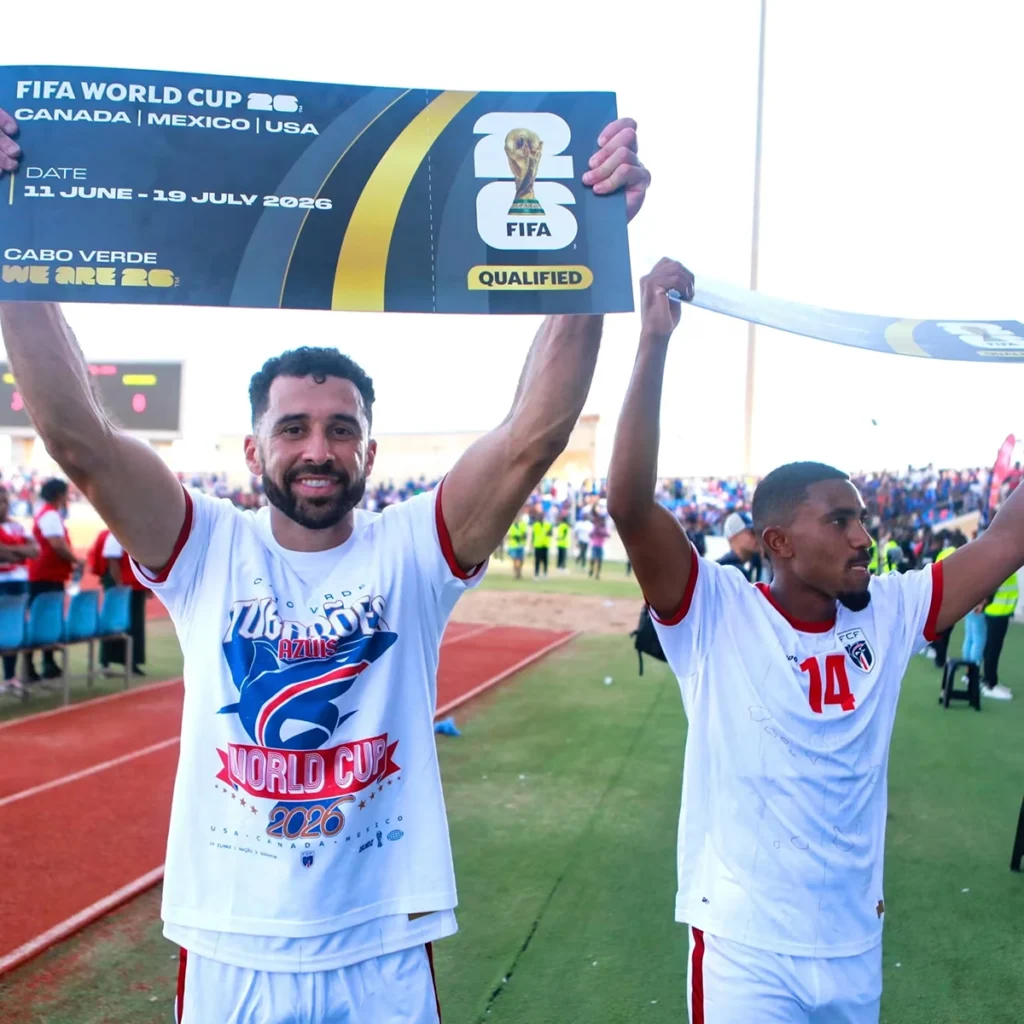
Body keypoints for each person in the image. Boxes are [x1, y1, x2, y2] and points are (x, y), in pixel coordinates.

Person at [0, 106, 650, 1024]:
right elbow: (79, 436)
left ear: (370, 456)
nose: (318, 448)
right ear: (251, 450)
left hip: (379, 944)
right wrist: (10, 227)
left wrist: (591, 245)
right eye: (293, 428)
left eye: (342, 430)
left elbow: (531, 436)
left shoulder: (409, 554)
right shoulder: (207, 550)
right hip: (232, 944)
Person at [607, 257, 1024, 1024]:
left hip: (853, 945)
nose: (865, 536)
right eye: (840, 520)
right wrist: (654, 343)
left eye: (863, 517)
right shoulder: (717, 613)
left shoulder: (892, 613)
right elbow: (629, 504)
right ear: (779, 541)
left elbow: (1008, 537)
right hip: (744, 953)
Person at [25, 478, 82, 681]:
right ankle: (33, 664)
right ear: (59, 495)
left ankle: (46, 662)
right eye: (66, 493)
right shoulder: (50, 515)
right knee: (42, 618)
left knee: (44, 618)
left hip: (48, 573)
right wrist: (76, 560)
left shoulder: (49, 514)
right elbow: (57, 544)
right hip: (45, 573)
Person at [89, 527, 150, 676]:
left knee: (135, 624)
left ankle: (131, 662)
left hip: (133, 584)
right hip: (122, 583)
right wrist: (119, 586)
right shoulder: (117, 532)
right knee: (114, 623)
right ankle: (106, 662)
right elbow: (112, 560)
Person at [0, 482, 39, 690]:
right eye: (0, 502)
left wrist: (9, 551)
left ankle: (9, 677)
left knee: (12, 629)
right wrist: (18, 551)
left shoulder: (17, 525)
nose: (3, 506)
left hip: (19, 583)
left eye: (5, 501)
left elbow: (35, 550)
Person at [981, 571, 1017, 700]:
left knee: (993, 647)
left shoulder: (1007, 565)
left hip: (1000, 612)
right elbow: (991, 587)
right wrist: (983, 603)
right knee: (993, 648)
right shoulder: (1002, 567)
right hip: (997, 612)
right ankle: (990, 685)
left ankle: (989, 680)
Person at [717, 511, 761, 582]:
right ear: (733, 536)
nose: (758, 537)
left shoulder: (756, 562)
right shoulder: (723, 571)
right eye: (752, 532)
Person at [531, 509, 552, 578]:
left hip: (545, 544)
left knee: (545, 560)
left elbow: (551, 534)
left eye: (542, 516)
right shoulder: (535, 525)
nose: (541, 517)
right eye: (540, 516)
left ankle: (545, 573)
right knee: (537, 560)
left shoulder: (547, 525)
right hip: (538, 545)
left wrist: (549, 532)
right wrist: (532, 544)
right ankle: (536, 574)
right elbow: (533, 535)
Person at [588, 513, 610, 580]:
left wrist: (600, 531)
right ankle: (591, 569)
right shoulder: (596, 527)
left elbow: (608, 535)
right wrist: (595, 531)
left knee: (599, 560)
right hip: (595, 545)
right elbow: (590, 535)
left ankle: (597, 573)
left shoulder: (604, 528)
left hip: (600, 546)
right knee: (593, 558)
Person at [506, 513, 528, 580]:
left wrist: (521, 536)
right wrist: (514, 537)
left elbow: (525, 535)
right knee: (515, 560)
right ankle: (517, 573)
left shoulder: (522, 525)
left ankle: (519, 572)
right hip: (513, 545)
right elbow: (508, 536)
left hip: (521, 545)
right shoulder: (511, 526)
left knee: (521, 560)